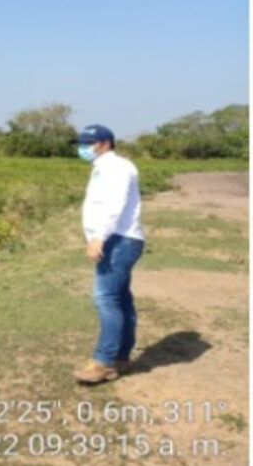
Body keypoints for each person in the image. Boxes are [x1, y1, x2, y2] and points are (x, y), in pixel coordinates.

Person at [70, 124, 145, 384]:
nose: (82, 148)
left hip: (118, 239)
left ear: (104, 143)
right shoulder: (102, 168)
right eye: (80, 143)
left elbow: (114, 204)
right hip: (116, 238)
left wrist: (99, 237)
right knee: (120, 298)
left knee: (106, 298)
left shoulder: (117, 168)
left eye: (87, 143)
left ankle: (103, 362)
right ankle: (121, 357)